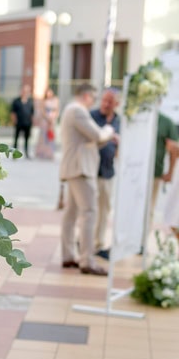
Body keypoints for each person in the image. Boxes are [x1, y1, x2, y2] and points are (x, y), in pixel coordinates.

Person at [59, 82, 117, 275]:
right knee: (89, 213)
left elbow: (88, 141)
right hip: (81, 169)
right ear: (85, 96)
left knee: (72, 214)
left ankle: (68, 256)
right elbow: (98, 135)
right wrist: (109, 131)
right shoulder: (78, 110)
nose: (94, 102)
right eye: (93, 97)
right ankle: (87, 260)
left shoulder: (70, 109)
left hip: (76, 167)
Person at [90, 88, 121, 259]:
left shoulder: (119, 121)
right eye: (104, 100)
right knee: (89, 209)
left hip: (108, 172)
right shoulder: (92, 116)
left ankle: (99, 244)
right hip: (91, 171)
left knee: (104, 210)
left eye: (110, 101)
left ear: (117, 104)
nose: (105, 104)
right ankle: (85, 241)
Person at [151, 112, 179, 227]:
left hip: (157, 173)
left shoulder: (167, 122)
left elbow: (174, 149)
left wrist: (170, 173)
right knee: (172, 218)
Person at [34, 87, 59, 160]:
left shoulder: (55, 100)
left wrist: (53, 117)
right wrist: (47, 118)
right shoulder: (43, 101)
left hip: (52, 120)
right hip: (45, 121)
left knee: (50, 136)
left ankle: (50, 153)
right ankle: (42, 152)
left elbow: (57, 110)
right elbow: (42, 111)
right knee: (44, 136)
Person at [10, 84, 34, 157]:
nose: (25, 92)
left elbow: (32, 113)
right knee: (16, 138)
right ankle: (14, 153)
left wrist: (32, 122)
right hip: (19, 122)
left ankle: (26, 153)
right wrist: (14, 121)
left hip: (27, 123)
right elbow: (13, 112)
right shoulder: (16, 101)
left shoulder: (30, 101)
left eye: (26, 91)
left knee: (27, 139)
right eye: (24, 91)